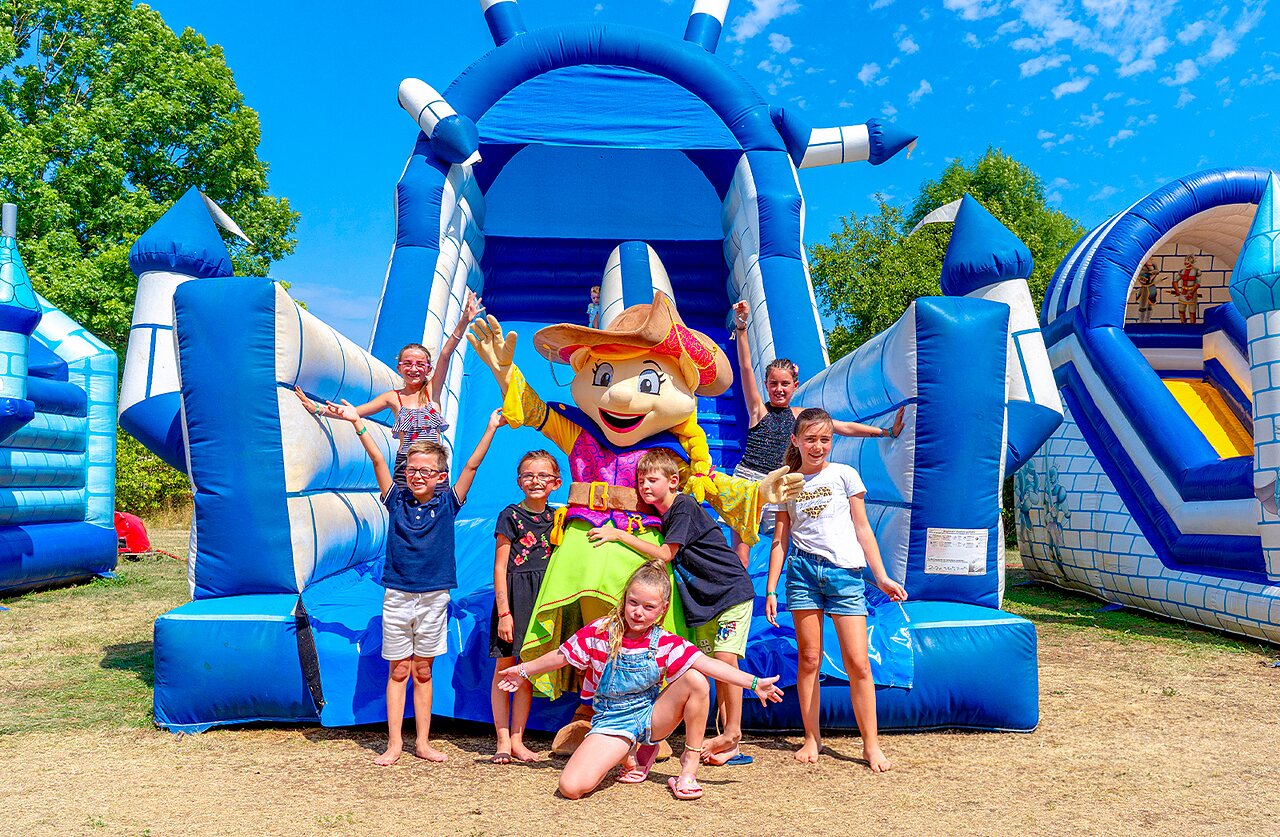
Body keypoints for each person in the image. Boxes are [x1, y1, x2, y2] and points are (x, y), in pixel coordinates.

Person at [497, 561, 784, 800]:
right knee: (571, 788)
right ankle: (632, 751)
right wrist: (523, 671)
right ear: (624, 599)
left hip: (650, 717)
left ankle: (687, 770)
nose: (638, 612)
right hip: (612, 722)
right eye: (633, 603)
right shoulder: (600, 631)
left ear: (662, 609)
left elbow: (710, 664)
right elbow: (560, 656)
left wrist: (754, 682)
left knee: (696, 678)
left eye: (648, 607)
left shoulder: (666, 643)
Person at [341, 400, 505, 765]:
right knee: (398, 669)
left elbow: (473, 465)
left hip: (434, 597)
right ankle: (395, 743)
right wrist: (358, 423)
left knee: (423, 669)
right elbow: (379, 462)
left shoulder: (449, 502)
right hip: (398, 594)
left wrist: (491, 428)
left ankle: (424, 742)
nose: (418, 476)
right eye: (413, 469)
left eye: (426, 471)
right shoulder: (395, 499)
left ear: (440, 476)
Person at [586, 448, 757, 767]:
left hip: (730, 590)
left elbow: (665, 553)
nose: (644, 486)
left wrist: (617, 535)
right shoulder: (662, 516)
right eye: (640, 481)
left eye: (652, 480)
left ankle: (732, 733)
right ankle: (727, 742)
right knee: (709, 666)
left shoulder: (683, 505)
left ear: (674, 481)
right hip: (702, 601)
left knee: (724, 658)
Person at [764, 407, 908, 770]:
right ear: (795, 440)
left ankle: (870, 744)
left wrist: (881, 576)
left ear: (832, 440)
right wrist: (770, 588)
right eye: (810, 439)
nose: (818, 446)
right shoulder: (788, 484)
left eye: (825, 439)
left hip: (845, 575)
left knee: (858, 662)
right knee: (810, 659)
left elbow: (863, 529)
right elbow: (780, 540)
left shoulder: (844, 475)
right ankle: (812, 738)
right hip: (803, 574)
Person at [730, 299, 905, 567]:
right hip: (749, 482)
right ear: (765, 385)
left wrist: (885, 431)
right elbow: (744, 369)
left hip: (781, 483)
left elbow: (842, 427)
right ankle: (738, 596)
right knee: (741, 551)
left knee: (787, 537)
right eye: (773, 383)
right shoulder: (758, 411)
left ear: (795, 385)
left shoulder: (801, 416)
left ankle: (795, 582)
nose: (779, 389)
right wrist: (742, 328)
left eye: (785, 384)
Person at [295, 289, 482, 486]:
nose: (413, 369)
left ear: (428, 369)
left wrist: (464, 321)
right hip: (406, 466)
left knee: (436, 513)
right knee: (403, 513)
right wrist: (317, 409)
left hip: (434, 465)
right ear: (399, 367)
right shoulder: (392, 398)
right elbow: (354, 413)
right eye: (408, 363)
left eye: (420, 364)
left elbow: (445, 354)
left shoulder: (432, 392)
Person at [489, 449, 563, 764]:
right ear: (519, 481)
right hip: (515, 598)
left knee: (526, 670)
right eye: (528, 475)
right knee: (504, 667)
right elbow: (499, 567)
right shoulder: (510, 515)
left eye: (543, 475)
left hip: (542, 598)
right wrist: (504, 613)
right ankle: (502, 740)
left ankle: (519, 739)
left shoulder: (558, 517)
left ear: (556, 483)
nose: (535, 481)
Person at [1173, 255, 1202, 325]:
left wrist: (1192, 293)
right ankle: (1183, 324)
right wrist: (1177, 290)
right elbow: (1175, 281)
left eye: (1188, 260)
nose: (1186, 262)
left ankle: (1193, 326)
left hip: (1192, 293)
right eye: (1185, 260)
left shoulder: (1196, 271)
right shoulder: (1182, 271)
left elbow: (1197, 284)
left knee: (1192, 311)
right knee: (1181, 310)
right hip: (1183, 293)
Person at [1134, 258, 1161, 324]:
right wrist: (1150, 273)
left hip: (1151, 287)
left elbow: (1157, 271)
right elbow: (1141, 276)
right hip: (1145, 288)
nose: (1151, 259)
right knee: (1142, 306)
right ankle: (1141, 322)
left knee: (1150, 305)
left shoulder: (1153, 265)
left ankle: (1147, 321)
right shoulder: (1142, 267)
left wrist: (1152, 273)